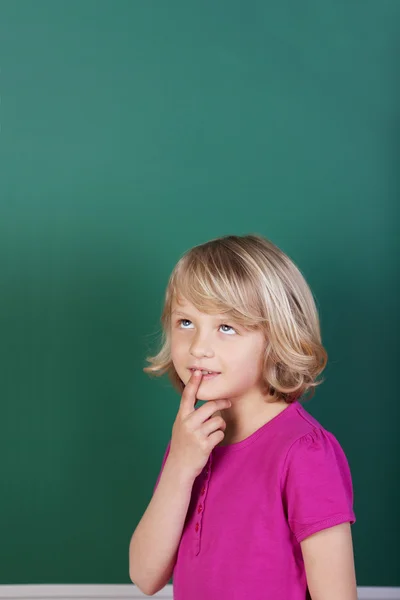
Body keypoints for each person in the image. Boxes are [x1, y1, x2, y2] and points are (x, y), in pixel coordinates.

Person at [129, 233, 357, 599]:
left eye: (226, 328)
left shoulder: (304, 452)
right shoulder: (191, 442)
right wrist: (179, 468)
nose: (199, 348)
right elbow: (144, 575)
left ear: (278, 337)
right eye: (185, 322)